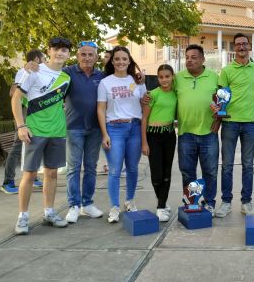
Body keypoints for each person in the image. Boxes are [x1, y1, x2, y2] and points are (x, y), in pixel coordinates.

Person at [12, 37, 73, 235]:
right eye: (56, 49)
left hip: (57, 132)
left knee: (52, 174)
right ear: (48, 51)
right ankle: (23, 216)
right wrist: (21, 126)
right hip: (35, 131)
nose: (60, 53)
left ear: (68, 54)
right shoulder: (33, 71)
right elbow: (16, 98)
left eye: (64, 50)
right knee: (29, 174)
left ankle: (49, 212)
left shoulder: (66, 78)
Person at [97, 46, 146, 224]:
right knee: (115, 170)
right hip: (114, 129)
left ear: (129, 61)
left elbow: (144, 105)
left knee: (133, 169)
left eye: (124, 59)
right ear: (112, 61)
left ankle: (130, 201)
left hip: (134, 128)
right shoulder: (106, 83)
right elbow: (101, 109)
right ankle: (115, 207)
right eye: (117, 59)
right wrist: (104, 134)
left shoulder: (137, 82)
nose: (120, 62)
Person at [214, 33, 254, 217]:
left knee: (248, 165)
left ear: (249, 46)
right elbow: (220, 98)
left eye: (244, 44)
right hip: (230, 123)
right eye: (238, 44)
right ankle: (226, 202)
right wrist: (218, 120)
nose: (242, 47)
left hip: (250, 123)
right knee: (227, 165)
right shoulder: (226, 71)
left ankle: (246, 202)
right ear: (234, 48)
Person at [173, 45, 219, 214]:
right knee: (187, 172)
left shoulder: (214, 77)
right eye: (187, 57)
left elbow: (222, 102)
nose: (189, 60)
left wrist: (218, 120)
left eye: (194, 57)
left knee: (210, 172)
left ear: (202, 59)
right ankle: (191, 202)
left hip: (209, 133)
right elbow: (163, 92)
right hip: (185, 134)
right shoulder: (177, 78)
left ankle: (209, 203)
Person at [63, 41, 106, 223]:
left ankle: (87, 204)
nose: (87, 58)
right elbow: (47, 77)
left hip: (95, 128)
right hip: (74, 127)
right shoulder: (67, 73)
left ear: (96, 57)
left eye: (90, 55)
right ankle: (73, 205)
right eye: (83, 54)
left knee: (90, 167)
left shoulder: (102, 76)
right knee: (73, 168)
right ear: (77, 56)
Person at [1, 49, 45, 194]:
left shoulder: (36, 72)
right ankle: (8, 182)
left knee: (34, 144)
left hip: (33, 113)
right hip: (24, 113)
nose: (44, 60)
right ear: (37, 59)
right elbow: (13, 93)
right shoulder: (24, 72)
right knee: (18, 146)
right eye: (43, 57)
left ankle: (32, 176)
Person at [141, 64, 177, 222]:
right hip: (153, 136)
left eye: (167, 76)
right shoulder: (152, 95)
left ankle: (161, 206)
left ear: (172, 77)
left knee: (167, 172)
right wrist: (144, 142)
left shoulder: (176, 94)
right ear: (157, 78)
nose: (164, 80)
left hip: (169, 135)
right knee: (157, 174)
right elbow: (144, 119)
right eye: (161, 77)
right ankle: (161, 201)